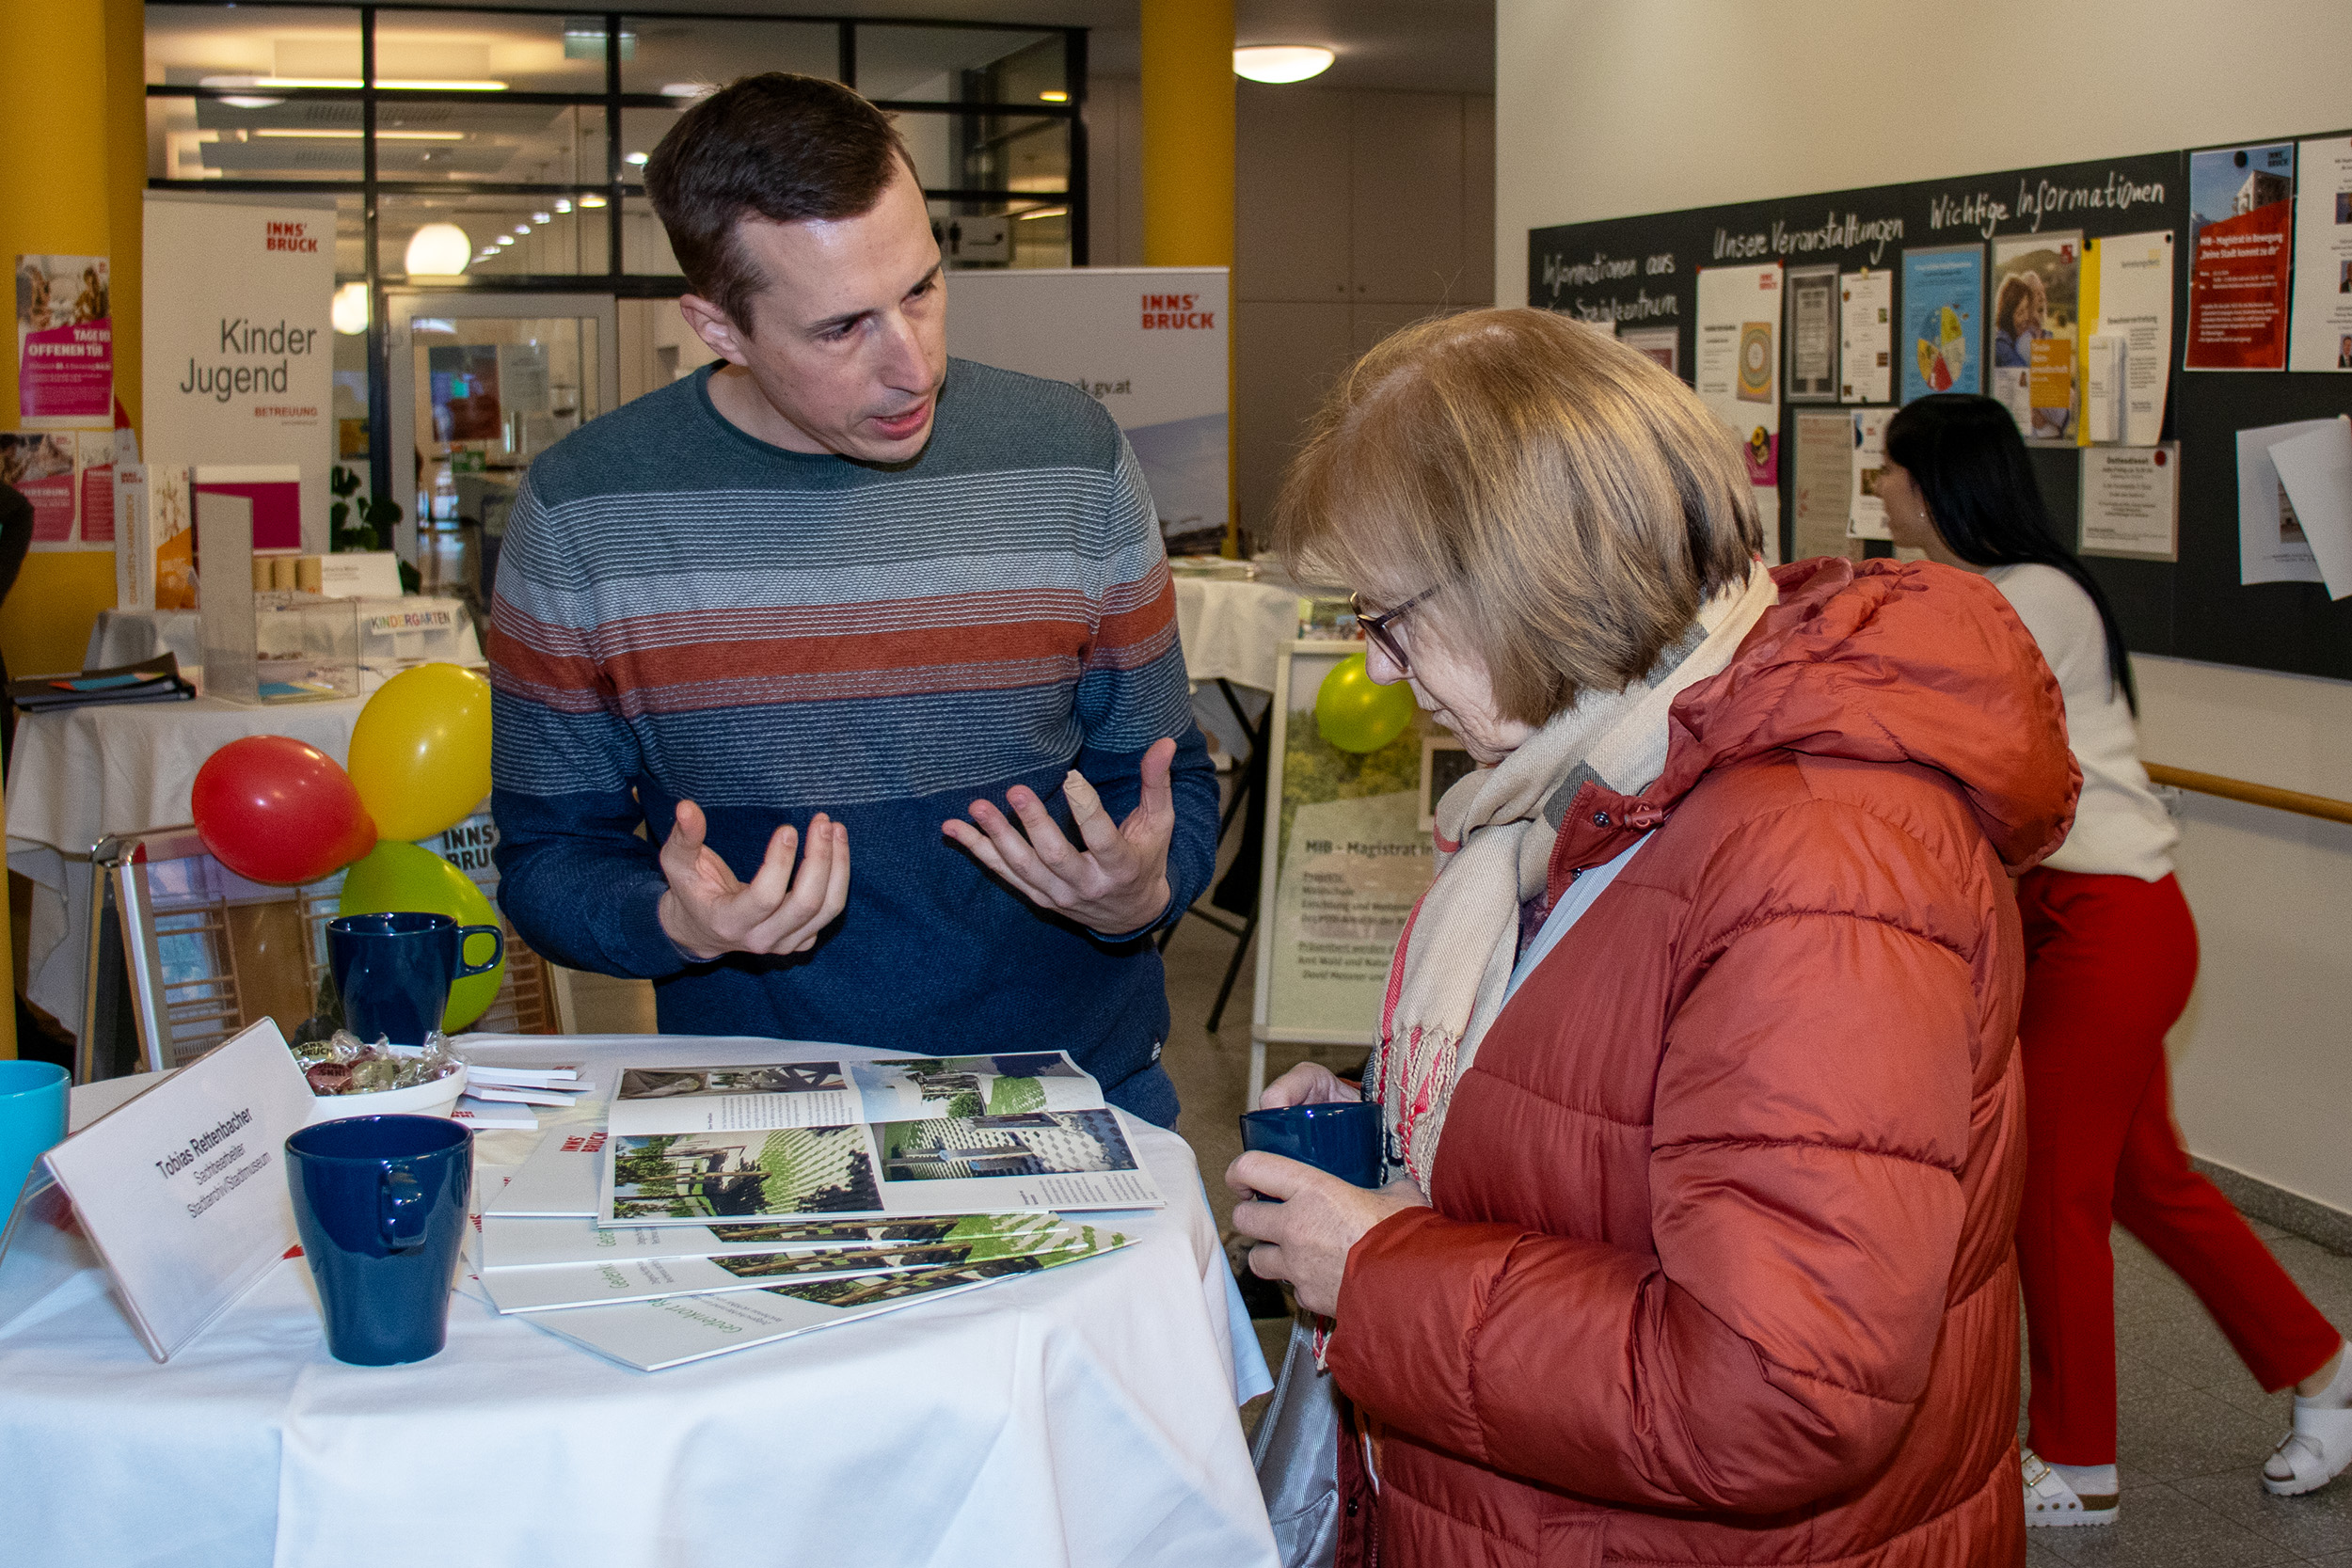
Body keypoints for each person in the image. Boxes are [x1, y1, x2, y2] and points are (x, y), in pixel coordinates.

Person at [1229, 309, 2076, 1564]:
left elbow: (1781, 1388)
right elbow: (1615, 1098)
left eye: (1389, 617)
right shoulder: (1608, 780)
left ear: (1521, 577)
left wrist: (1385, 1268)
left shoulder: (1822, 858)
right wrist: (1402, 1124)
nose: (1385, 671)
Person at [485, 74, 1218, 1124]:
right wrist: (676, 920)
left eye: (921, 290)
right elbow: (550, 857)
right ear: (717, 325)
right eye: (840, 330)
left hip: (1075, 1098)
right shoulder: (584, 510)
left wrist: (1141, 890)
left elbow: (1168, 780)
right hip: (759, 1121)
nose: (910, 365)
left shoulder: (1072, 456)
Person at [1878, 392, 2352, 1520]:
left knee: (2054, 1184)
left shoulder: (2026, 598)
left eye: (1891, 468)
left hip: (2111, 919)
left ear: (1939, 479)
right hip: (2071, 916)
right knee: (2151, 1178)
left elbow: (1928, 730)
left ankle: (2078, 1460)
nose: (1880, 486)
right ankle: (2328, 1373)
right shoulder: (1987, 590)